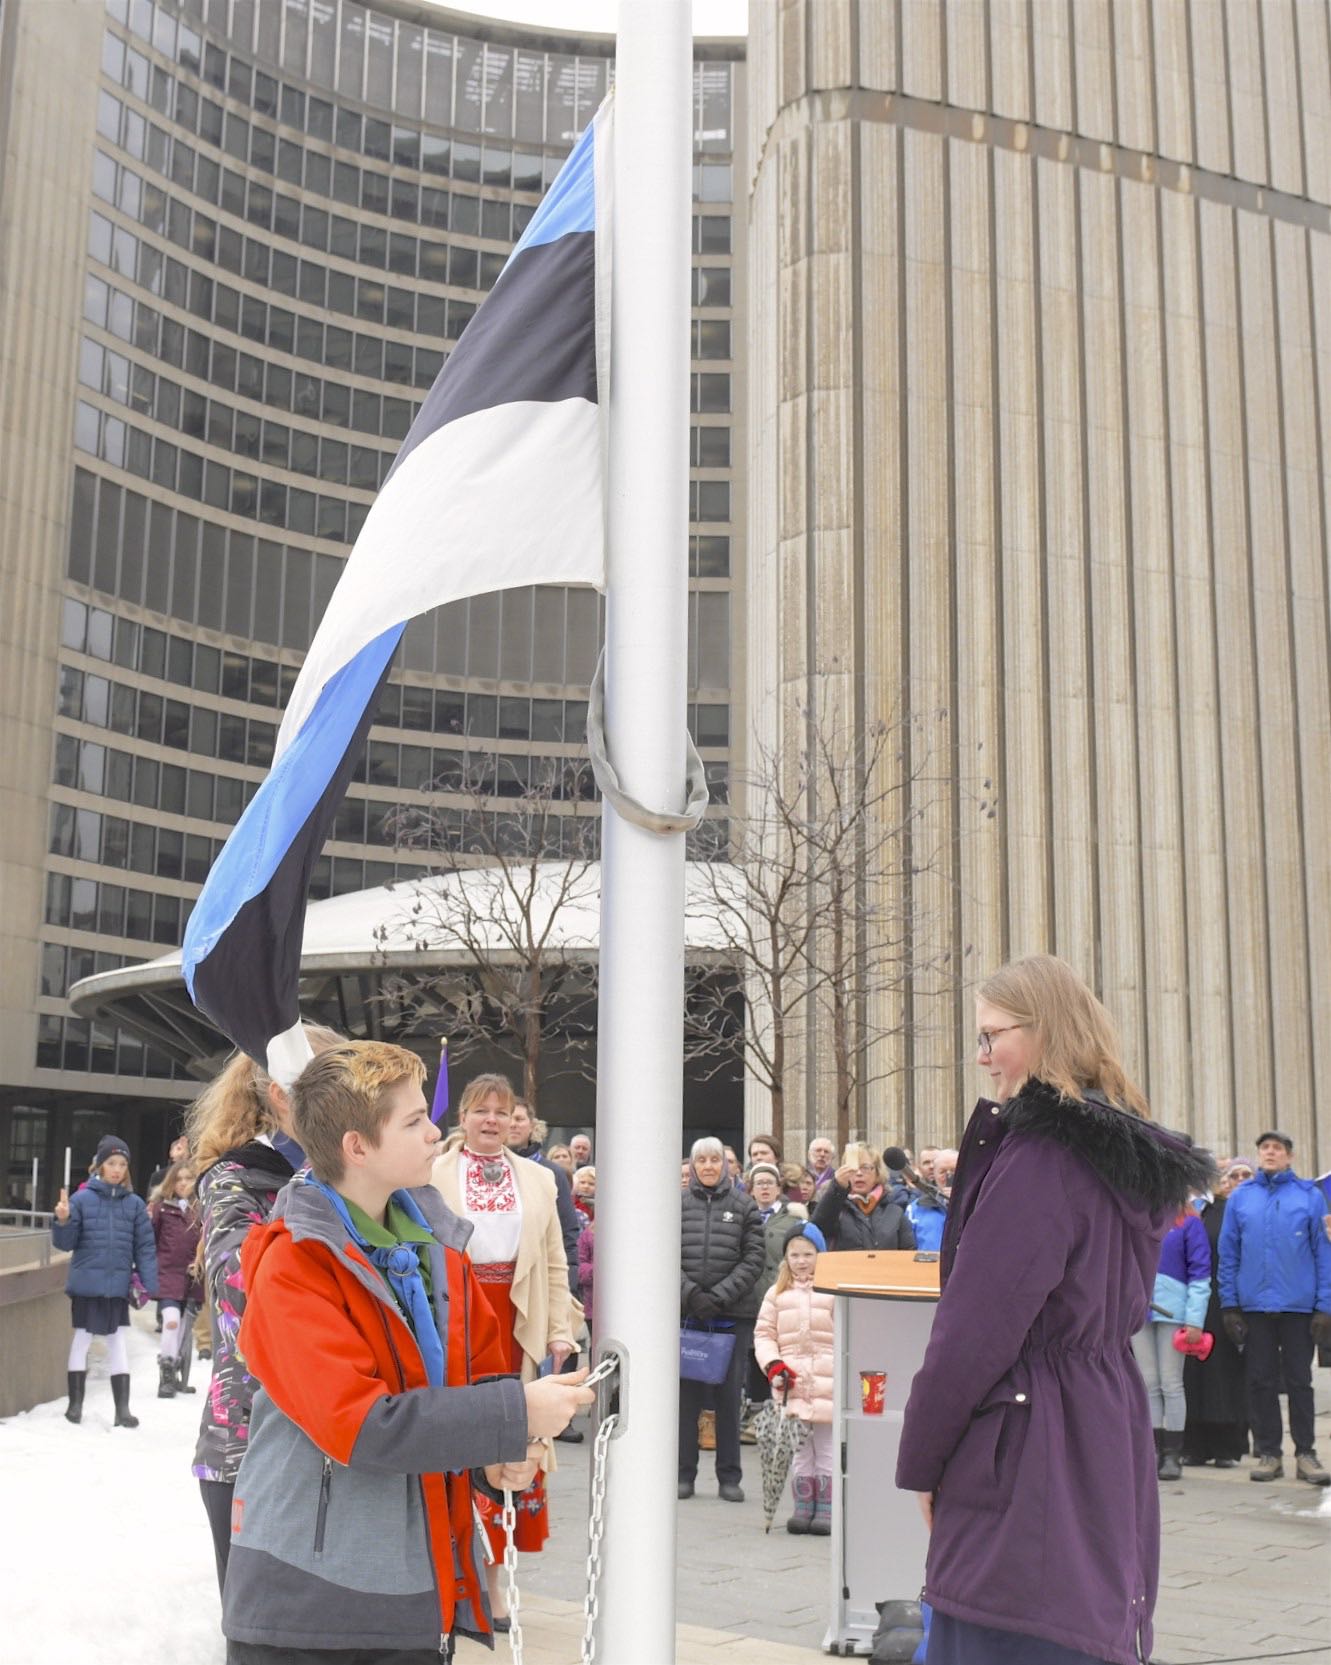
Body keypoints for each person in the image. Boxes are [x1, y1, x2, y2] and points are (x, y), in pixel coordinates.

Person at [221, 1041, 593, 1663]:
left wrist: (490, 1460)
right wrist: (514, 1414)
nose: (434, 1133)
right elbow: (364, 1425)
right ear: (357, 1146)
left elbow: (466, 1382)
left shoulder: (438, 1246)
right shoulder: (293, 1263)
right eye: (415, 1120)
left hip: (418, 1592)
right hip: (307, 1610)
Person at [896, 954, 1213, 1665]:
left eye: (991, 1036)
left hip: (1026, 1434)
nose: (982, 1057)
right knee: (1085, 1618)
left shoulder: (1040, 1159)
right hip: (1103, 1416)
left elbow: (972, 1332)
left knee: (1011, 1627)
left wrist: (922, 1460)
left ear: (1044, 1031)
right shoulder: (1117, 1154)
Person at [186, 1024, 342, 1594]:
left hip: (339, 1443)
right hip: (249, 1445)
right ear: (282, 1097)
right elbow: (242, 1295)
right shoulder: (236, 1177)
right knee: (257, 1627)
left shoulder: (353, 1176)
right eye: (333, 1089)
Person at [432, 1073, 581, 1623]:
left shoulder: (540, 1179)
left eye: (502, 1111)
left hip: (516, 1321)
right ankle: (447, 1578)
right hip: (455, 1319)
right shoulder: (430, 1172)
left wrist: (560, 1328)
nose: (491, 1120)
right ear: (463, 1117)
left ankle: (492, 1585)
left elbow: (556, 1261)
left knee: (508, 1443)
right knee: (451, 1443)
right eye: (481, 1110)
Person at [1218, 1130, 1331, 1485]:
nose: (1270, 1152)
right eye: (1264, 1147)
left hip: (1299, 1306)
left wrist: (1324, 1305)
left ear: (1289, 1156)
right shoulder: (1241, 1198)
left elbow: (1323, 1252)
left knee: (1299, 1381)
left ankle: (1306, 1454)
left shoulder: (1309, 1197)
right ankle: (1269, 1453)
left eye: (1277, 1148)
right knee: (1260, 1381)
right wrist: (1229, 1304)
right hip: (1255, 1306)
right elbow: (1229, 1252)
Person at [679, 1136, 765, 1503]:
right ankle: (683, 1474)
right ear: (693, 1165)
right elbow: (663, 1254)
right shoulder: (677, 1205)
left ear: (726, 1165)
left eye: (715, 1160)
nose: (709, 1166)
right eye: (702, 1160)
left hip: (731, 1315)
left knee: (728, 1399)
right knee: (685, 1400)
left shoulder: (745, 1206)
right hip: (688, 1315)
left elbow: (754, 1258)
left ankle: (730, 1477)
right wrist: (691, 1295)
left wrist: (720, 1296)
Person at [51, 1134, 158, 1429]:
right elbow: (65, 1243)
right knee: (82, 1339)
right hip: (87, 1284)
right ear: (100, 1165)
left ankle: (122, 1410)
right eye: (111, 1163)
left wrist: (150, 1284)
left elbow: (145, 1247)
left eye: (122, 1164)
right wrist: (63, 1220)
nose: (117, 1169)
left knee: (117, 1340)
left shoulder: (134, 1205)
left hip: (117, 1285)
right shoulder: (81, 1200)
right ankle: (75, 1405)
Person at [754, 1222, 835, 1534]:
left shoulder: (832, 1292)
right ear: (786, 1258)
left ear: (820, 1255)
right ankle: (803, 1506)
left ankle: (825, 1507)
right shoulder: (776, 1293)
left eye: (808, 1254)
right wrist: (773, 1365)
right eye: (795, 1255)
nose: (801, 1261)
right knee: (799, 1448)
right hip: (792, 1382)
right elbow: (764, 1334)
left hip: (827, 1381)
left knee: (826, 1448)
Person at [1132, 1202, 1211, 1480]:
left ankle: (1172, 1453)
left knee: (1171, 1383)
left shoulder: (1189, 1223)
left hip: (1174, 1312)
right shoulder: (1136, 1216)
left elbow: (1200, 1273)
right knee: (1147, 1383)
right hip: (1139, 1309)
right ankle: (1152, 1451)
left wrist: (1194, 1319)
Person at [1182, 1181, 1249, 1469]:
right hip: (1186, 1301)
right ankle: (1193, 1444)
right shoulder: (1179, 1206)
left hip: (1222, 1299)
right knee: (1190, 1375)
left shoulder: (1225, 1209)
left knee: (1222, 1374)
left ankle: (1226, 1445)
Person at [507, 1098, 581, 1296]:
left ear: (532, 1125)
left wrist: (569, 1282)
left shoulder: (552, 1173)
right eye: (508, 1117)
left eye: (519, 1119)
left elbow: (567, 1230)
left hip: (540, 1278)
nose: (513, 1124)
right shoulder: (489, 1168)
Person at [149, 1159, 203, 1400]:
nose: (183, 1183)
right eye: (178, 1179)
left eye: (188, 1179)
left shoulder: (201, 1209)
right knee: (171, 1321)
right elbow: (151, 1240)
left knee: (184, 1327)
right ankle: (166, 1373)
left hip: (193, 1275)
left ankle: (179, 1373)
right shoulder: (161, 1208)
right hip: (167, 1273)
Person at [811, 1143, 916, 1251]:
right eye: (853, 1168)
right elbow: (817, 1230)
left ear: (877, 1173)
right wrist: (837, 1188)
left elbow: (909, 1251)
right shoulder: (835, 1206)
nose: (859, 1173)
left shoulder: (894, 1210)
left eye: (865, 1167)